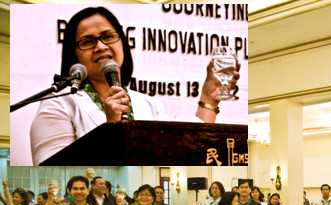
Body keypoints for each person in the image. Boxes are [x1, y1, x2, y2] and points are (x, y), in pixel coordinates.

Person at [30, 7, 241, 165]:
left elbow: (189, 150)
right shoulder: (58, 105)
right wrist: (111, 129)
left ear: (121, 42)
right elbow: (56, 169)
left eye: (108, 36)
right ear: (73, 53)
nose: (101, 46)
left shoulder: (149, 104)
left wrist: (209, 99)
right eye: (87, 41)